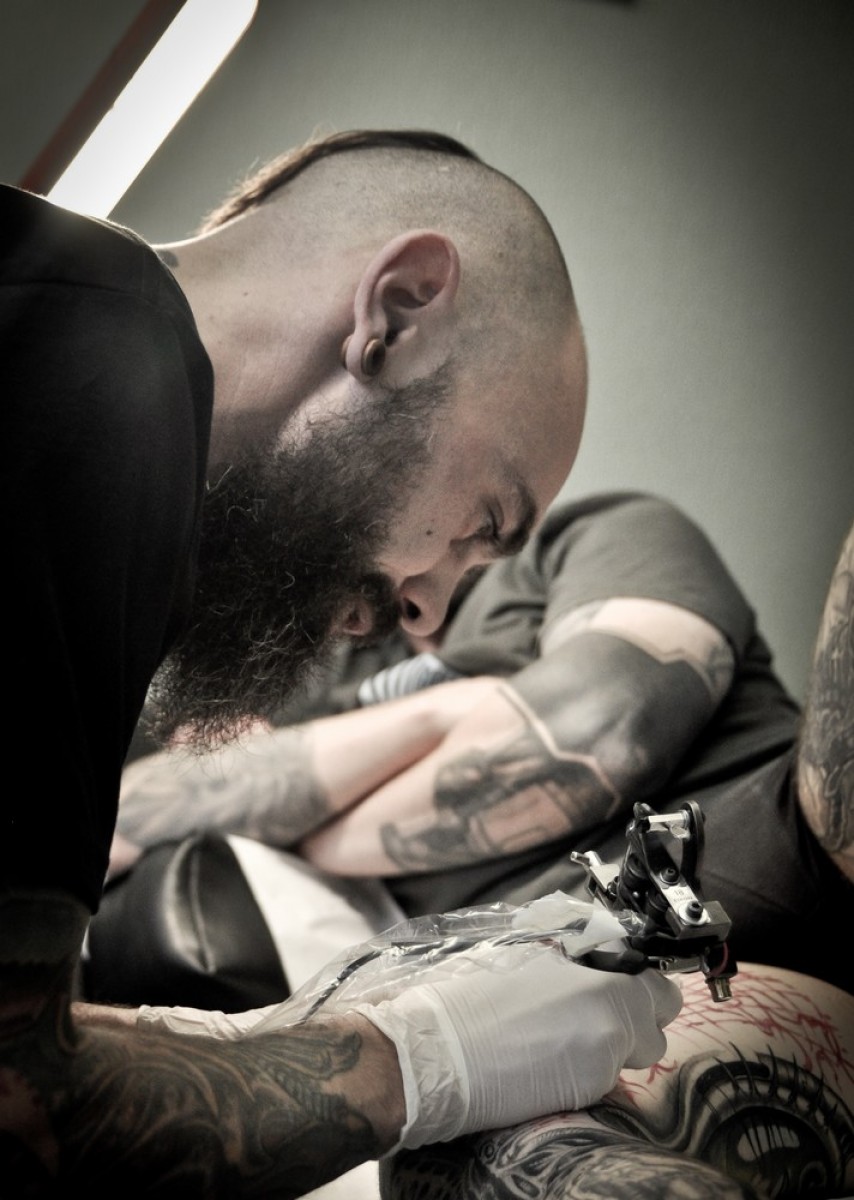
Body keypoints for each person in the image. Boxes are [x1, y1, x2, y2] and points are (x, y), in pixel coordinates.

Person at [0, 129, 683, 1195]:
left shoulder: (74, 336)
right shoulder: (96, 387)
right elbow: (19, 1109)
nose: (427, 608)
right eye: (481, 523)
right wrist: (430, 1056)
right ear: (399, 314)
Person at [104, 495, 854, 1198]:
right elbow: (137, 810)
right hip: (626, 983)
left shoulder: (585, 537)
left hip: (789, 848)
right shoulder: (308, 672)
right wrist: (450, 716)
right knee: (501, 1147)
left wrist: (308, 800)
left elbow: (601, 730)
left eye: (499, 507)